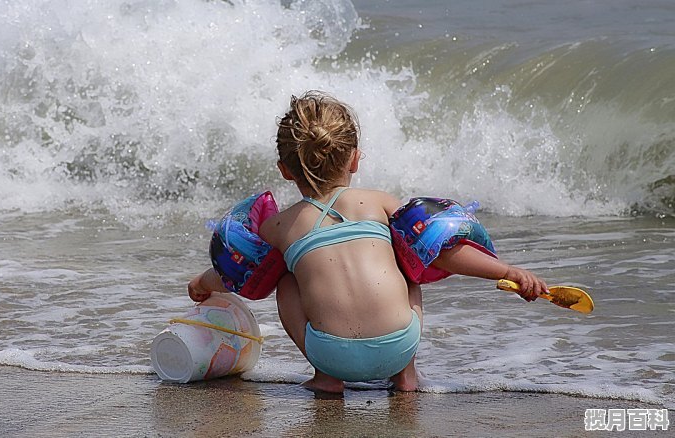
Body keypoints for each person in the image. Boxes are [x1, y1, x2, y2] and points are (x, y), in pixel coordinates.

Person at [188, 91, 548, 393]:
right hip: (398, 343)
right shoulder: (379, 202)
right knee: (409, 262)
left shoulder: (281, 226)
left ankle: (326, 379)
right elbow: (444, 253)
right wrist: (507, 271)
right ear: (355, 158)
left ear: (284, 170)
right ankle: (406, 376)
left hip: (331, 354)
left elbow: (237, 272)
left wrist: (202, 283)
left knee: (285, 280)